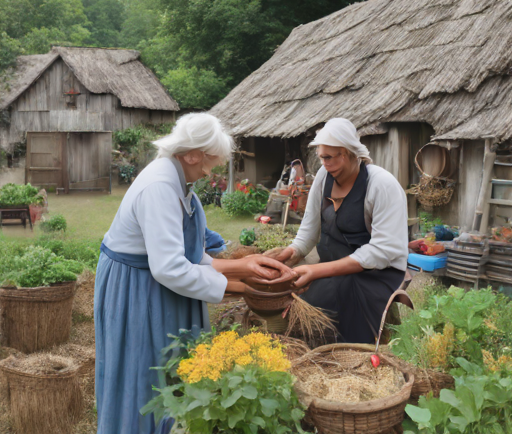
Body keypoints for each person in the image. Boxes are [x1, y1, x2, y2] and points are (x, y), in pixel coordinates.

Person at [94, 113, 295, 434]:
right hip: (135, 288)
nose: (209, 170)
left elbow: (189, 256)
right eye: (210, 162)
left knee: (171, 361)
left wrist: (244, 267)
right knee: (143, 368)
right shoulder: (160, 187)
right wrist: (241, 287)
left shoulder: (178, 182)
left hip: (154, 282)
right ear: (192, 155)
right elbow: (171, 268)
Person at [276, 118, 408, 344]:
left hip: (375, 275)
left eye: (329, 157)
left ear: (348, 153)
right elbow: (308, 232)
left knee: (321, 296)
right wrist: (288, 255)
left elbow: (382, 251)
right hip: (334, 270)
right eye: (321, 157)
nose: (324, 163)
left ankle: (352, 353)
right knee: (295, 296)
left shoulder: (381, 185)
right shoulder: (322, 178)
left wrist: (317, 271)